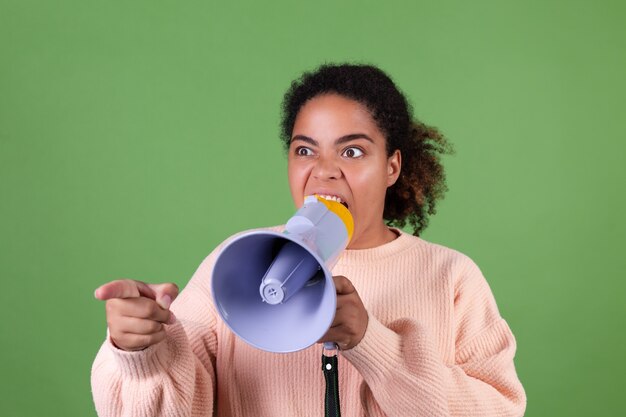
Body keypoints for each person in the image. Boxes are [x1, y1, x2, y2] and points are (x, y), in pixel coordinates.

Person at [91, 63, 527, 416]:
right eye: (305, 150)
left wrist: (371, 343)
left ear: (392, 166)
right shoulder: (236, 264)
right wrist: (143, 352)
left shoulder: (450, 277)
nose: (324, 170)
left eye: (351, 151)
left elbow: (498, 410)